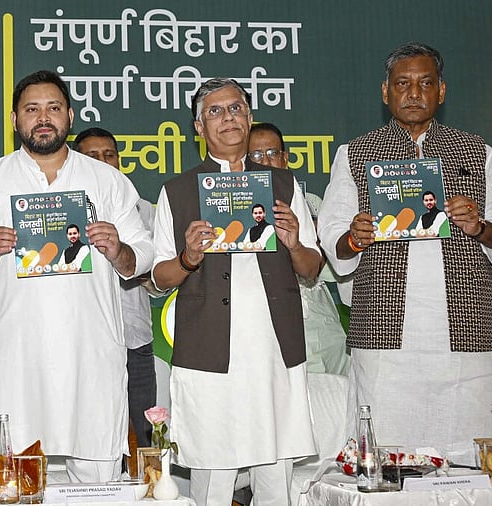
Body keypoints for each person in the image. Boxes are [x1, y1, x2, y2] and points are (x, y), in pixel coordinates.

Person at [0, 69, 153, 483]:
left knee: (97, 474)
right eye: (32, 109)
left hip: (90, 354)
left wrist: (118, 249)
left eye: (53, 108)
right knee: (16, 478)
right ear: (14, 120)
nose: (43, 118)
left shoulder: (107, 180)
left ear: (69, 116)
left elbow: (143, 255)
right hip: (16, 356)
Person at [317, 42, 492, 465]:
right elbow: (333, 235)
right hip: (384, 327)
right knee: (387, 447)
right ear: (386, 92)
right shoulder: (356, 153)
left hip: (465, 324)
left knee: (468, 445)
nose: (414, 93)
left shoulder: (478, 152)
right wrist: (355, 237)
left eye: (425, 83)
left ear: (442, 91)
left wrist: (479, 227)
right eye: (402, 84)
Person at [151, 78, 320, 505]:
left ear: (249, 116)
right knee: (213, 475)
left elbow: (312, 267)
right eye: (215, 111)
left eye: (236, 108)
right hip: (208, 351)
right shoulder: (177, 191)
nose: (227, 117)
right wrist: (189, 256)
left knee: (275, 477)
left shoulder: (284, 185)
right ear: (198, 127)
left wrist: (294, 243)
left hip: (273, 349)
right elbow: (159, 277)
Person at [73, 126, 157, 448]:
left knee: (144, 436)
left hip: (134, 339)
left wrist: (133, 266)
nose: (103, 162)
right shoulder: (61, 216)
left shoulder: (143, 210)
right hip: (82, 342)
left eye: (109, 155)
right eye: (92, 156)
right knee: (92, 436)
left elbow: (159, 282)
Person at [248, 123, 350, 375]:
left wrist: (311, 238)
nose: (265, 162)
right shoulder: (235, 213)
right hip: (262, 321)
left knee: (333, 391)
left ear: (284, 158)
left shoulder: (311, 203)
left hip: (315, 315)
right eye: (256, 155)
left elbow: (328, 271)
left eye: (272, 153)